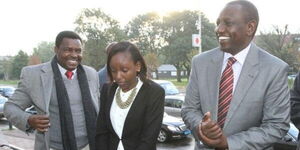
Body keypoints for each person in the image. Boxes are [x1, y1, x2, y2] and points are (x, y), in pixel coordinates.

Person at [181, 0, 290, 149]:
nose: (219, 29)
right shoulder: (200, 62)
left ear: (250, 27)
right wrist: (202, 127)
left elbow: (276, 125)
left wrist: (228, 143)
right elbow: (189, 109)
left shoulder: (275, 69)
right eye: (218, 23)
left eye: (228, 23)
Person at [4, 31, 100, 150]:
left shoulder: (91, 74)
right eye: (68, 50)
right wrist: (28, 119)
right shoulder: (34, 75)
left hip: (89, 145)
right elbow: (10, 107)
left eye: (78, 51)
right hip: (52, 147)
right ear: (56, 49)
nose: (74, 55)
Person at [95, 41, 164, 150]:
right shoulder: (107, 90)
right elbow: (101, 132)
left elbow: (148, 139)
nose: (118, 76)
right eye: (113, 70)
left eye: (124, 70)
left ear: (137, 66)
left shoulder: (154, 92)